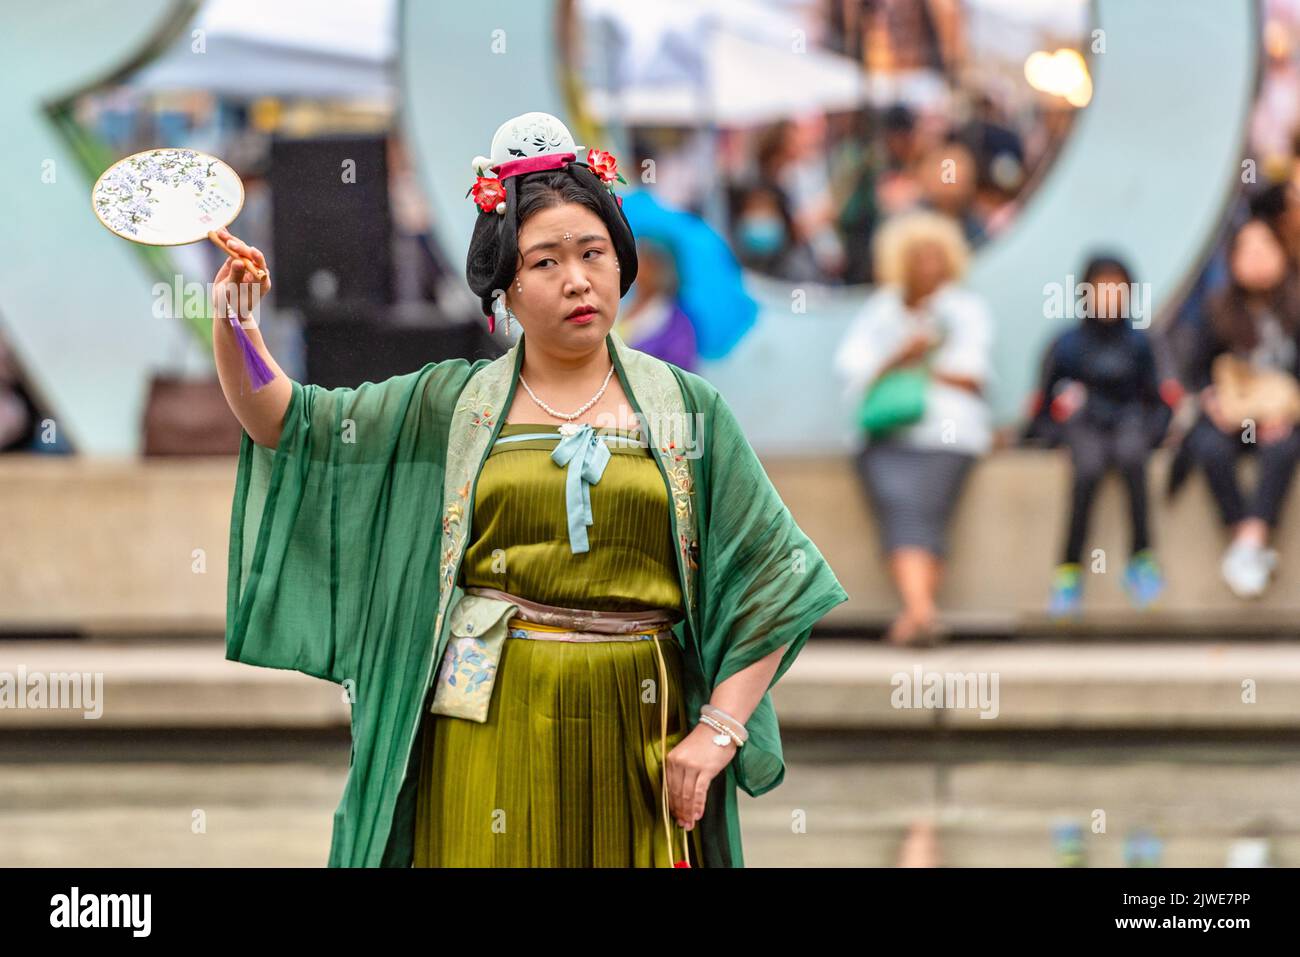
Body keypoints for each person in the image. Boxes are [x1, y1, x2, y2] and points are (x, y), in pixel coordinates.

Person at [214, 111, 848, 867]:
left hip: (637, 719)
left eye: (594, 252)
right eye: (546, 262)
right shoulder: (450, 405)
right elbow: (290, 422)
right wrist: (235, 324)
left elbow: (779, 579)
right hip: (482, 717)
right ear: (505, 292)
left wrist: (718, 730)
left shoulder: (684, 408)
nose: (577, 277)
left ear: (623, 264)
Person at [833, 210, 993, 646]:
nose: (927, 265)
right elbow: (852, 369)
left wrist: (923, 362)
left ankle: (916, 612)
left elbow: (974, 374)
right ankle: (922, 611)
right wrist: (900, 356)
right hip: (886, 436)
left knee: (925, 513)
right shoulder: (880, 309)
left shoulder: (964, 309)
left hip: (947, 434)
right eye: (918, 256)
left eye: (935, 256)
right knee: (902, 511)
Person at [1024, 255, 1173, 617]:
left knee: (1132, 458)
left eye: (1116, 287)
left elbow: (1159, 402)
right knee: (1087, 469)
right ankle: (1068, 572)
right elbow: (1041, 408)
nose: (1109, 296)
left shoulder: (1141, 344)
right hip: (1082, 429)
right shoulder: (1065, 345)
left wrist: (1154, 432)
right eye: (1101, 287)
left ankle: (1141, 560)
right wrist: (1055, 436)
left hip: (1129, 426)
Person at [1171, 217, 1300, 598]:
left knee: (1283, 448)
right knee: (1209, 449)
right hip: (1230, 418)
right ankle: (1246, 541)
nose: (1258, 259)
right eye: (1249, 250)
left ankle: (1249, 542)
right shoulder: (1217, 310)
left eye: (1266, 248)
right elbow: (1196, 374)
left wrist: (1284, 412)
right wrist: (1213, 403)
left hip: (1284, 419)